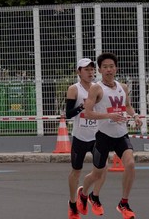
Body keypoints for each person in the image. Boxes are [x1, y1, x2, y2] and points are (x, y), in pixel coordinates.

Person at [82, 53, 139, 219]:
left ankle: (124, 203)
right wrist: (108, 116)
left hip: (121, 134)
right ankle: (86, 194)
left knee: (130, 164)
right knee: (97, 173)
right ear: (100, 70)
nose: (109, 70)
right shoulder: (96, 88)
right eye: (105, 67)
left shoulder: (123, 87)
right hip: (103, 135)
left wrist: (135, 116)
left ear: (116, 68)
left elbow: (127, 105)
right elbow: (88, 113)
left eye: (111, 66)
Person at [65, 58, 100, 218]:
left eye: (92, 69)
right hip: (80, 136)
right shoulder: (74, 89)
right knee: (76, 171)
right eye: (86, 69)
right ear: (79, 72)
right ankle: (72, 203)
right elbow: (68, 114)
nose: (90, 72)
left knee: (102, 169)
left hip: (97, 136)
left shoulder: (98, 88)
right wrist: (81, 107)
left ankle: (86, 194)